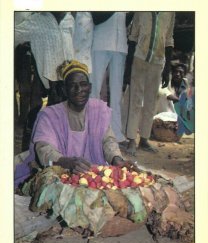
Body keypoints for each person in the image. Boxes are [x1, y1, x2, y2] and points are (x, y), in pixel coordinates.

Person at [15, 60, 129, 188]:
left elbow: (108, 140)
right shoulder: (50, 115)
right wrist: (66, 162)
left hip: (90, 175)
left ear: (90, 87)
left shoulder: (98, 111)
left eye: (83, 84)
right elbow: (44, 149)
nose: (79, 89)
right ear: (64, 90)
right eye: (72, 85)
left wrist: (116, 158)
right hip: (58, 171)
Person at [123, 12, 175, 154]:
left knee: (151, 102)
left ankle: (144, 139)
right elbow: (133, 38)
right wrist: (128, 69)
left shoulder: (170, 12)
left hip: (158, 61)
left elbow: (169, 40)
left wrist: (167, 69)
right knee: (135, 100)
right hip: (139, 58)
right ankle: (132, 139)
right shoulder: (142, 10)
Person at [15, 11, 75, 106]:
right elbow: (14, 34)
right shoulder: (37, 20)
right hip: (51, 79)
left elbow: (72, 40)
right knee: (55, 110)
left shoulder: (69, 18)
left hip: (70, 73)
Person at [90, 12, 133, 144]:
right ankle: (93, 131)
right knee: (94, 89)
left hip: (119, 45)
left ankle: (116, 134)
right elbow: (96, 18)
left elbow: (124, 22)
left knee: (117, 93)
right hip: (100, 42)